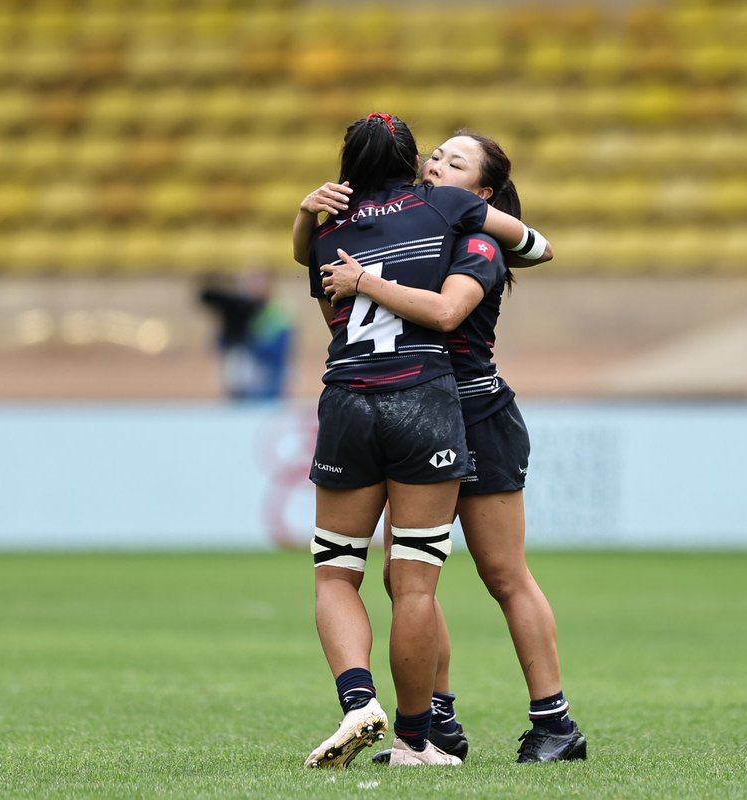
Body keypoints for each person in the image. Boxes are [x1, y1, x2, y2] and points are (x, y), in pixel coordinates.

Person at [319, 131, 586, 764]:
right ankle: (434, 721)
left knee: (503, 574)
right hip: (416, 411)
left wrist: (364, 282)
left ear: (483, 194)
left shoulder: (477, 242)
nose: (436, 165)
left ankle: (555, 723)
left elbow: (447, 312)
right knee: (403, 578)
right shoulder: (415, 224)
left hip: (475, 413)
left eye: (455, 163)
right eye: (435, 155)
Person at [197, 271, 293, 401]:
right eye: (249, 282)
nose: (252, 286)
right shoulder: (239, 308)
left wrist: (247, 338)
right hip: (242, 376)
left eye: (257, 282)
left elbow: (277, 350)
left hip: (268, 378)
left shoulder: (276, 312)